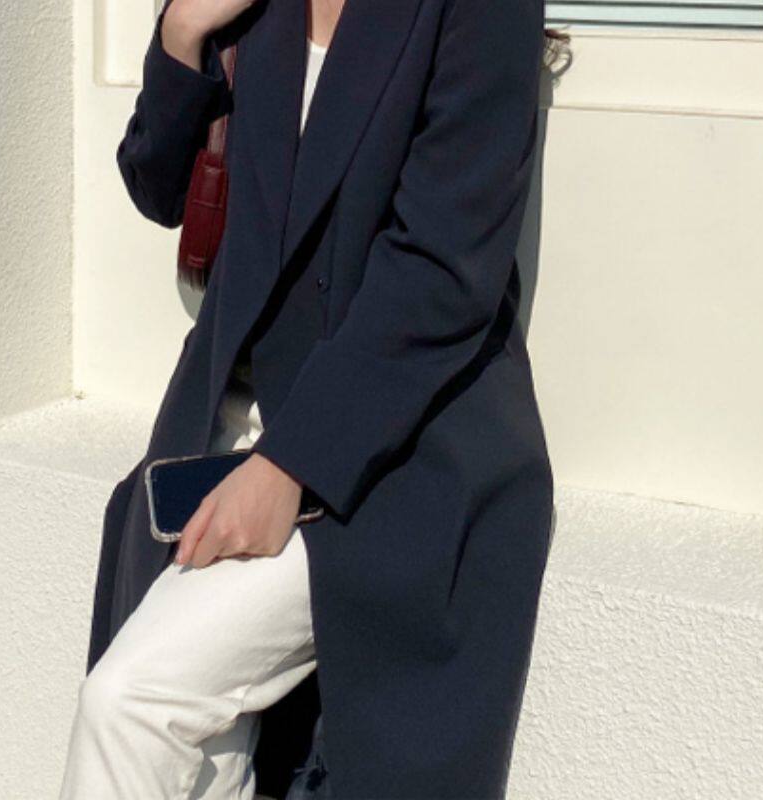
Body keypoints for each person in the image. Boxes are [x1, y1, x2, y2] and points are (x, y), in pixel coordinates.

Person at [62, 0, 564, 796]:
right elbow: (157, 186)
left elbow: (443, 271)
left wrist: (290, 464)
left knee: (133, 703)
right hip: (225, 425)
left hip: (393, 441)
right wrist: (183, 30)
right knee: (187, 733)